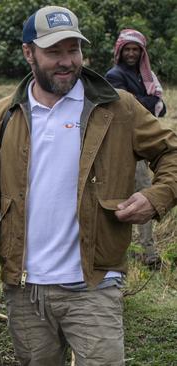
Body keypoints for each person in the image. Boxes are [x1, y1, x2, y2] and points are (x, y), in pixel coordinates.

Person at [0, 6, 177, 365]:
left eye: (73, 50)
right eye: (54, 52)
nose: (66, 61)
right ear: (28, 52)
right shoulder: (3, 116)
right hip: (25, 287)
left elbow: (170, 152)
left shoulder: (116, 107)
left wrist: (157, 196)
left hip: (93, 285)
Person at [105, 29, 167, 268]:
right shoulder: (114, 75)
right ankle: (146, 254)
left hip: (140, 140)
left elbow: (161, 108)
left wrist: (145, 102)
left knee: (137, 194)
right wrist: (147, 101)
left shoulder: (144, 75)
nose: (131, 53)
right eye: (127, 49)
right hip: (123, 143)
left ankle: (140, 250)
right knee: (142, 192)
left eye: (135, 50)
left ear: (142, 52)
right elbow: (128, 107)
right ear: (120, 51)